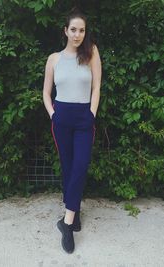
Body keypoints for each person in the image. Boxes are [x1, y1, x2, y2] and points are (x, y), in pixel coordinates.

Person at [43, 8, 102, 253]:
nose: (78, 34)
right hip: (62, 118)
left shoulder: (91, 53)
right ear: (65, 31)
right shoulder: (54, 59)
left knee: (80, 165)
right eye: (73, 30)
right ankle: (74, 214)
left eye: (82, 30)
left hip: (83, 119)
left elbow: (97, 87)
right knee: (68, 167)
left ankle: (66, 224)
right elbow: (46, 93)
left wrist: (91, 114)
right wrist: (53, 114)